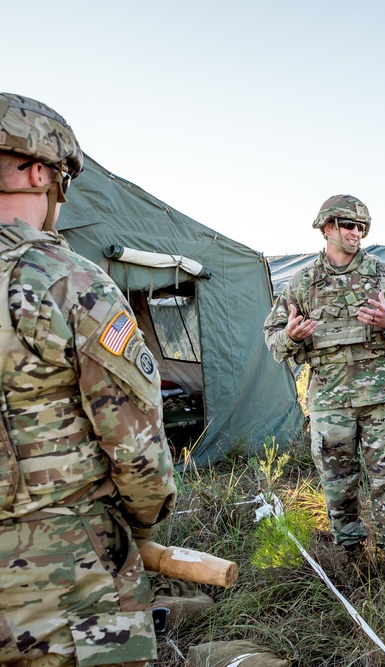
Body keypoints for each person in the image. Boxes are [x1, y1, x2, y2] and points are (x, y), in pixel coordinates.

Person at [0, 92, 176, 666]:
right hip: (64, 577)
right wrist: (145, 522)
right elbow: (138, 448)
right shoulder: (67, 283)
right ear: (39, 172)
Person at [263, 195, 385, 562]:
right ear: (326, 228)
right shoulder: (303, 283)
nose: (356, 233)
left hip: (379, 398)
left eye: (360, 227)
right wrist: (291, 336)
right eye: (348, 225)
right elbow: (272, 339)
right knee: (338, 483)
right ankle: (350, 555)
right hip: (329, 400)